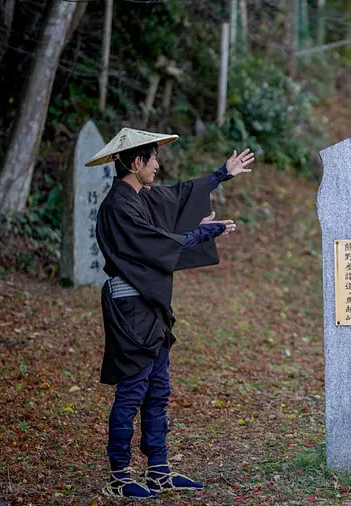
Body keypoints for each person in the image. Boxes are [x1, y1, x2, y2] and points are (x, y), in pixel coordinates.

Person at [85, 127, 255, 499]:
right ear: (136, 162)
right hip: (131, 309)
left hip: (152, 305)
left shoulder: (141, 198)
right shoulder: (119, 206)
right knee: (133, 389)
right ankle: (119, 476)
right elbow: (155, 245)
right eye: (154, 158)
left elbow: (176, 198)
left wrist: (220, 174)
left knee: (158, 390)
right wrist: (198, 234)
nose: (158, 165)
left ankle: (158, 471)